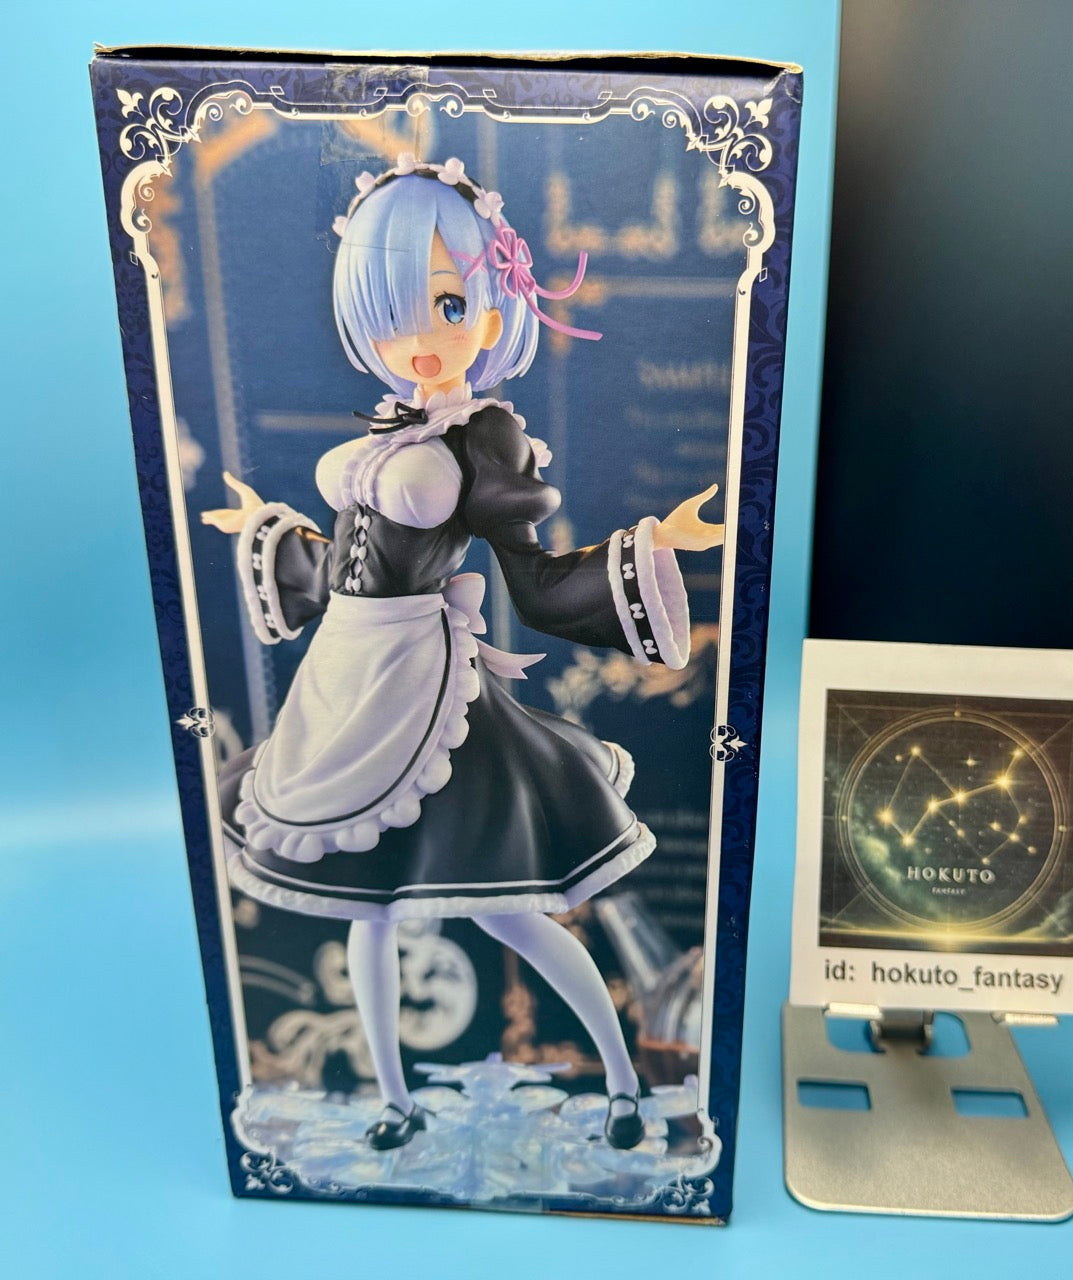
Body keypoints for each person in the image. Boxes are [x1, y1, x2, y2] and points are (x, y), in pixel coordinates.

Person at [202, 155, 723, 1152]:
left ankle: (622, 1080)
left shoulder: (486, 439)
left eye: (448, 304)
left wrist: (655, 543)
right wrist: (266, 531)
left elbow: (536, 581)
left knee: (509, 913)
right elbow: (342, 569)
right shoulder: (388, 428)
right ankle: (395, 1101)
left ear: (491, 309)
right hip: (344, 681)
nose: (422, 339)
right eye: (393, 313)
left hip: (431, 694)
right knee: (368, 910)